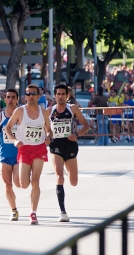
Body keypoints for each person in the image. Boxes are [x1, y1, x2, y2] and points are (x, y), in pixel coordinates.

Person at [4, 84, 52, 225]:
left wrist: (48, 136)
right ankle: (30, 196)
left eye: (33, 94)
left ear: (38, 96)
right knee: (23, 184)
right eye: (28, 94)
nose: (31, 96)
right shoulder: (20, 111)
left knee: (35, 181)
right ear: (25, 97)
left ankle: (33, 213)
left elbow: (48, 129)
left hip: (39, 148)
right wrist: (14, 140)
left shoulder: (44, 113)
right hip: (24, 149)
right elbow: (7, 127)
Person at [48, 84, 90, 222]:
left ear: (67, 96)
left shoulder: (72, 109)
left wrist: (76, 134)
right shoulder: (50, 111)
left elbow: (86, 126)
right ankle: (63, 212)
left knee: (73, 182)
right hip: (56, 147)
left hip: (70, 146)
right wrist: (48, 136)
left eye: (62, 94)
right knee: (59, 177)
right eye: (58, 94)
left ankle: (67, 168)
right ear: (55, 95)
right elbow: (46, 128)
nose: (60, 96)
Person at [0, 88, 21, 221]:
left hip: (20, 154)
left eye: (13, 97)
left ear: (17, 99)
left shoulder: (22, 115)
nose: (10, 99)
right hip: (5, 155)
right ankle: (14, 210)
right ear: (4, 99)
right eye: (8, 97)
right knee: (8, 185)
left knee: (18, 183)